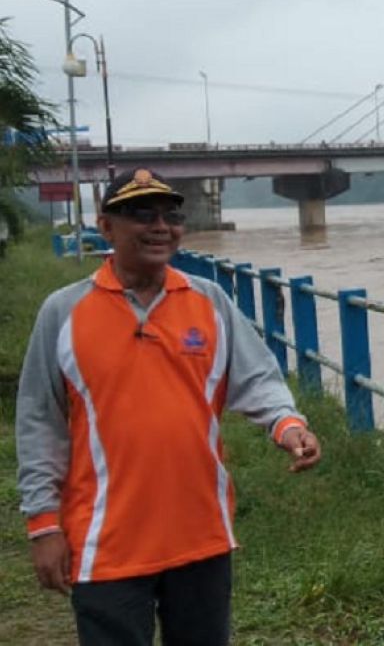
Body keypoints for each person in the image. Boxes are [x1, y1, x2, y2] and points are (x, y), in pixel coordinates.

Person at [16, 168, 322, 646]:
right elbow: (39, 423)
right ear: (106, 226)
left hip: (200, 536)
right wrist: (43, 525)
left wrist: (289, 426)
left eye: (171, 215)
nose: (161, 226)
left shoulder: (209, 301)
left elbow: (258, 379)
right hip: (105, 543)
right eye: (142, 214)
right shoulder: (64, 312)